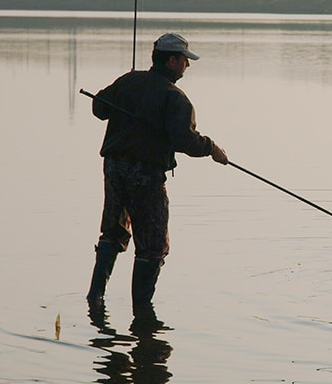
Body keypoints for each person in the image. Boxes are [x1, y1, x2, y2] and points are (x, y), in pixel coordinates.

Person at [86, 33, 228, 315]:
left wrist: (124, 87)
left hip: (114, 169)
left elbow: (98, 108)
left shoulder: (129, 81)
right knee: (153, 246)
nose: (187, 65)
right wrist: (212, 148)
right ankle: (142, 311)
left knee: (113, 231)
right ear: (171, 61)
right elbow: (184, 141)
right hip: (146, 176)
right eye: (185, 60)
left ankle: (95, 298)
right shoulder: (175, 98)